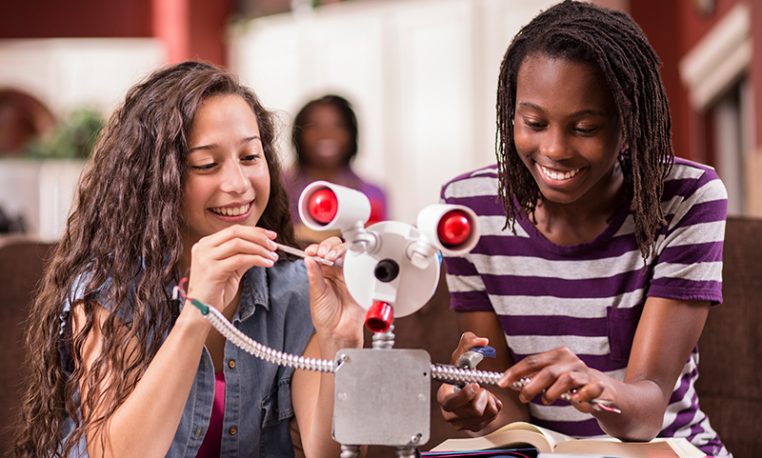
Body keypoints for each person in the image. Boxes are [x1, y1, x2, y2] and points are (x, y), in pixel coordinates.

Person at [15, 61, 365, 457]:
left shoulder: (295, 292)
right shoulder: (109, 293)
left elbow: (332, 454)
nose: (238, 185)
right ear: (156, 179)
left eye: (250, 157)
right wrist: (197, 313)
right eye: (206, 164)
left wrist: (342, 340)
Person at [436, 1, 730, 456]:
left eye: (585, 127)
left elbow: (648, 410)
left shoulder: (686, 197)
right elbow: (509, 404)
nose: (554, 149)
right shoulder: (467, 211)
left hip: (664, 449)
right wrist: (480, 404)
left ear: (629, 126)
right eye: (534, 123)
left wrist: (596, 387)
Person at [285, 94, 387, 244]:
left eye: (338, 125)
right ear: (298, 135)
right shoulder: (278, 188)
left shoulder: (373, 193)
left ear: (351, 134)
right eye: (314, 126)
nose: (326, 134)